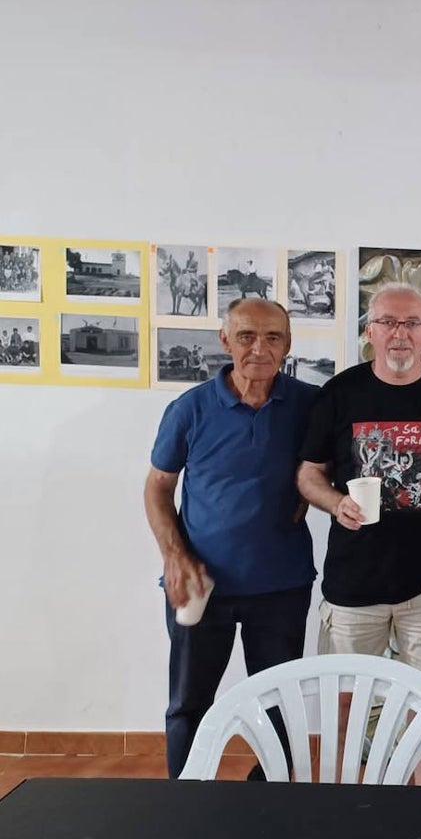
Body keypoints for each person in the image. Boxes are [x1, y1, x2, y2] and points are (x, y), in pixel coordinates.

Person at [296, 283, 421, 786]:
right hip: (352, 582)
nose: (399, 334)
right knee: (342, 701)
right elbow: (307, 475)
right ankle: (338, 809)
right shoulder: (340, 392)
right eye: (387, 322)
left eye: (411, 324)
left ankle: (420, 812)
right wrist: (334, 501)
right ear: (369, 332)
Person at [144, 298, 318, 779]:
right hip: (201, 587)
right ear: (225, 340)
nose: (259, 348)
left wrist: (310, 489)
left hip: (281, 585)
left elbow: (331, 466)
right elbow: (158, 486)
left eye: (273, 337)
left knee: (281, 708)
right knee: (189, 705)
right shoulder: (189, 409)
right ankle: (189, 802)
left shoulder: (310, 405)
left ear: (287, 345)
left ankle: (272, 805)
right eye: (246, 336)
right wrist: (175, 558)